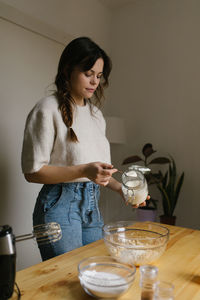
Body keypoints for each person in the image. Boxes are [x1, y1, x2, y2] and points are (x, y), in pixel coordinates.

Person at [21, 37, 147, 261]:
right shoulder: (46, 108)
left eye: (99, 76)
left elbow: (98, 173)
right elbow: (32, 172)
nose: (95, 81)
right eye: (88, 73)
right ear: (68, 69)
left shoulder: (96, 115)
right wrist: (84, 171)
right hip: (58, 207)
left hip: (91, 207)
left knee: (93, 274)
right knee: (66, 281)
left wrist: (123, 189)